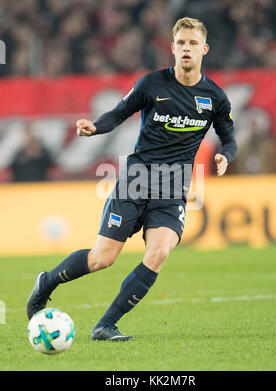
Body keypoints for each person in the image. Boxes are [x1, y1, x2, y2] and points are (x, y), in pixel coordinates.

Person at [27, 17, 237, 341]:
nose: (186, 48)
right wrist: (96, 126)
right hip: (136, 181)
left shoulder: (215, 98)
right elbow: (118, 113)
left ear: (204, 49)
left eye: (193, 43)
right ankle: (47, 282)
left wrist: (226, 155)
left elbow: (230, 138)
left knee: (159, 253)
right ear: (172, 48)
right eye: (181, 43)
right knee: (102, 259)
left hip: (173, 188)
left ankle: (105, 325)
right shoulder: (152, 84)